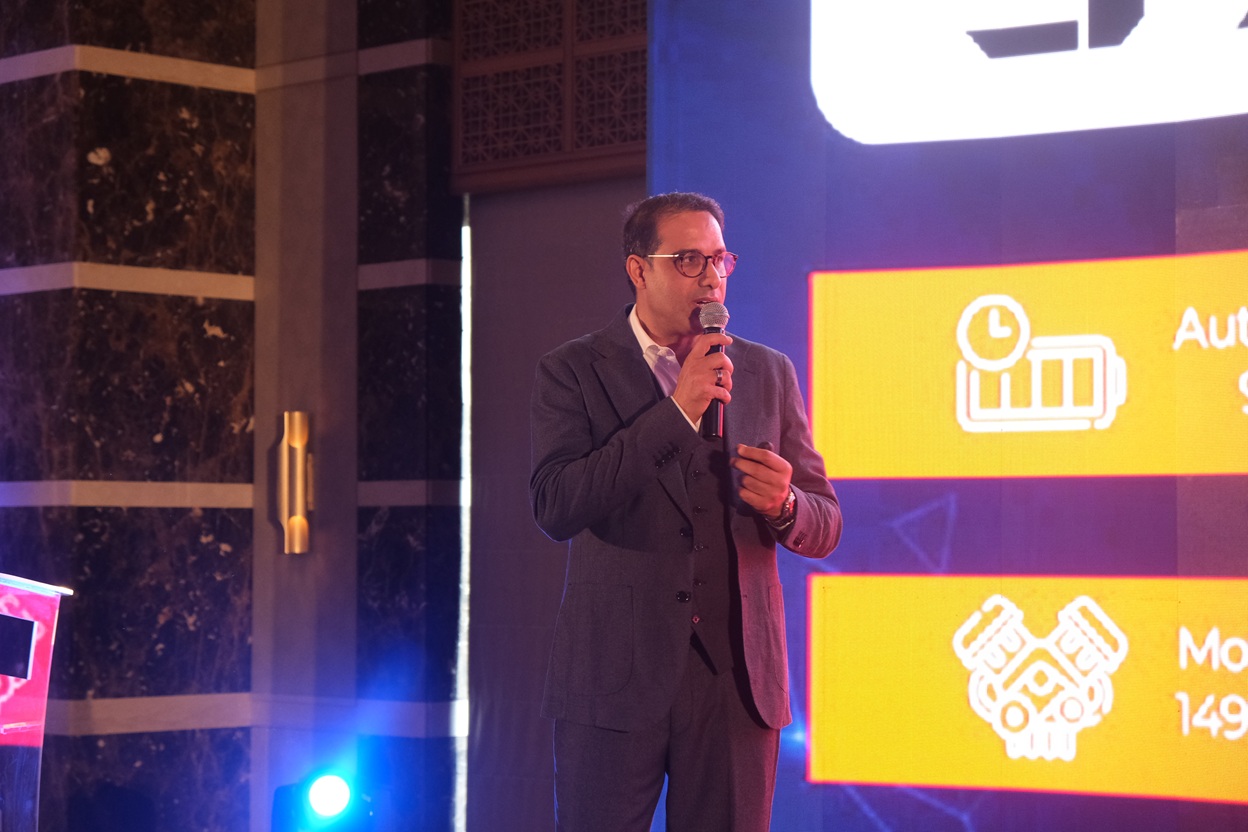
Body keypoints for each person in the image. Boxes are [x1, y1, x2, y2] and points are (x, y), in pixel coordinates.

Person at [529, 192, 842, 831]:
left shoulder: (767, 371)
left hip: (737, 682)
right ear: (639, 269)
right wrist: (677, 412)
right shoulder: (573, 370)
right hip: (613, 676)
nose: (711, 276)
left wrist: (785, 504)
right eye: (689, 260)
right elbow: (556, 504)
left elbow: (826, 522)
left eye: (720, 259)